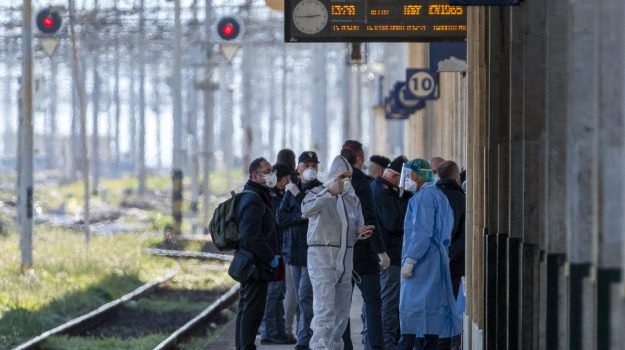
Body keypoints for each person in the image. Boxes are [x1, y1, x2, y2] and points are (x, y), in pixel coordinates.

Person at [302, 155, 372, 350]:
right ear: (332, 176)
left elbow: (354, 226)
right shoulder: (316, 192)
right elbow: (305, 210)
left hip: (345, 260)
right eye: (342, 176)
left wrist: (360, 232)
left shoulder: (352, 199)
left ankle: (334, 347)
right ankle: (320, 347)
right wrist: (328, 192)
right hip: (323, 259)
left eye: (348, 177)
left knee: (341, 315)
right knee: (325, 313)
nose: (345, 181)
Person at [397, 159, 461, 350]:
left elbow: (421, 233)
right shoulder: (439, 196)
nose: (406, 180)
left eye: (408, 175)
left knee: (411, 312)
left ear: (417, 175)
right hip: (437, 259)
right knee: (431, 314)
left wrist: (411, 259)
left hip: (422, 262)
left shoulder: (423, 198)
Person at [340, 140, 388, 350]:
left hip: (340, 253)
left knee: (342, 305)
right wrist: (381, 251)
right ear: (359, 158)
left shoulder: (334, 181)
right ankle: (375, 347)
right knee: (373, 303)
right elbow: (369, 218)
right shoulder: (363, 183)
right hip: (363, 254)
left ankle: (345, 347)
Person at [277, 151, 323, 350]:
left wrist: (299, 204)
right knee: (299, 296)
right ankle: (304, 335)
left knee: (305, 297)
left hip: (311, 253)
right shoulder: (292, 189)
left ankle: (304, 340)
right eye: (307, 164)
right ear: (299, 167)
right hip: (293, 251)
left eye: (314, 164)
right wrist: (301, 217)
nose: (311, 168)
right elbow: (281, 218)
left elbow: (314, 213)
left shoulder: (322, 189)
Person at [235, 157, 282, 350]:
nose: (272, 174)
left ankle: (243, 346)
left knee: (246, 309)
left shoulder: (258, 195)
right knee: (252, 312)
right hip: (255, 265)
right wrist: (270, 258)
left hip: (252, 262)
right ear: (255, 175)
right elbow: (251, 236)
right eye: (267, 171)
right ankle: (246, 347)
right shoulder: (253, 199)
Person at [370, 156, 411, 350]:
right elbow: (394, 221)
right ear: (396, 176)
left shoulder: (388, 189)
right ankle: (386, 344)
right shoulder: (382, 191)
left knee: (386, 302)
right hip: (389, 257)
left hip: (391, 255)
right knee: (389, 304)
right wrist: (408, 201)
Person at [260, 163, 297, 345]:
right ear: (282, 180)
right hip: (275, 250)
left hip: (280, 249)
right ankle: (270, 332)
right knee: (274, 294)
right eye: (287, 179)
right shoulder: (273, 197)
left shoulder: (277, 195)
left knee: (279, 293)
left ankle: (278, 331)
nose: (288, 182)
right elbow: (279, 221)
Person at [435, 161, 465, 350]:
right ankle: (452, 345)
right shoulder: (462, 199)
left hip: (431, 263)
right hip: (454, 264)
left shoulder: (429, 196)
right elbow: (464, 234)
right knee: (453, 307)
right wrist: (450, 254)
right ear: (456, 177)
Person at [275, 148, 299, 338]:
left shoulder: (276, 188)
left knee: (284, 291)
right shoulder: (296, 184)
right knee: (294, 290)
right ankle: (288, 329)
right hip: (292, 245)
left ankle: (284, 328)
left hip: (281, 246)